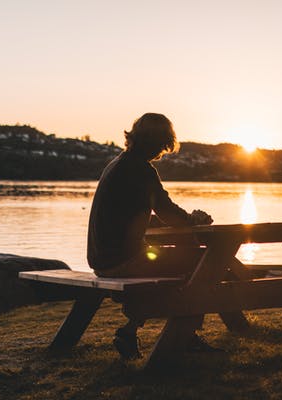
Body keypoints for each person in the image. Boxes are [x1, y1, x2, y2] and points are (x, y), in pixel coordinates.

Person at [87, 113, 215, 359]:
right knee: (203, 261)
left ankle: (133, 328)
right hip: (123, 261)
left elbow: (134, 216)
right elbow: (167, 212)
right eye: (162, 144)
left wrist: (183, 222)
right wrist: (192, 220)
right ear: (159, 142)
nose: (162, 151)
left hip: (101, 260)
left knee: (183, 260)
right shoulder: (141, 169)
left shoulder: (118, 164)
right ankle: (186, 336)